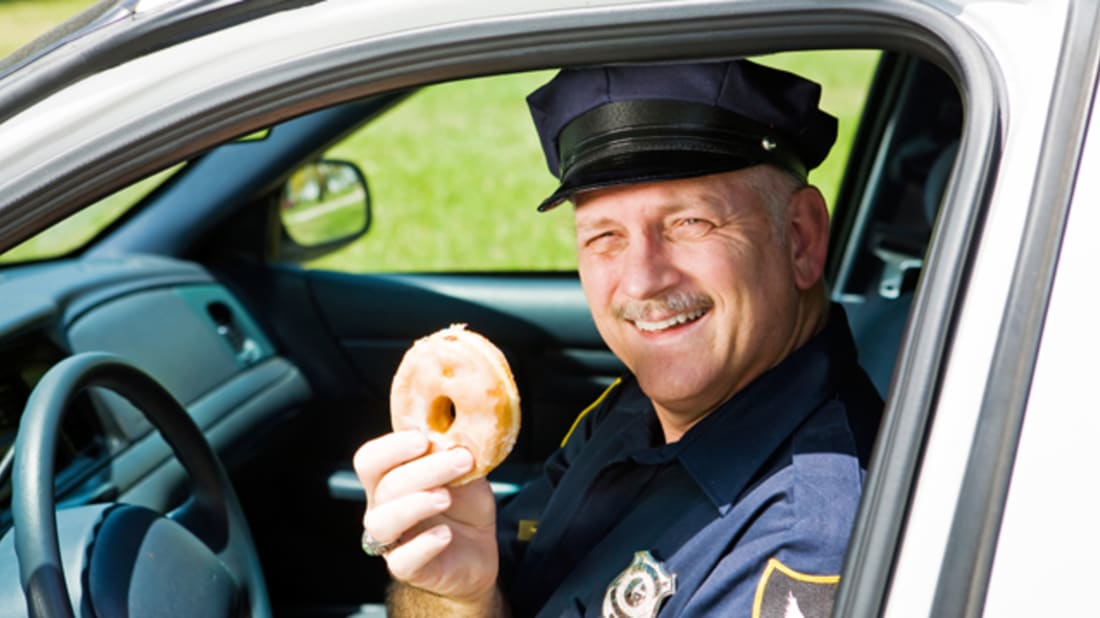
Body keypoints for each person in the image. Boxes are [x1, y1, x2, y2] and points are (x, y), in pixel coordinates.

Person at [353, 59, 883, 617]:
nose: (641, 280)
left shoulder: (805, 538)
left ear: (800, 239)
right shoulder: (638, 410)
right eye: (605, 236)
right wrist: (454, 592)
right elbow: (497, 575)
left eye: (689, 223)